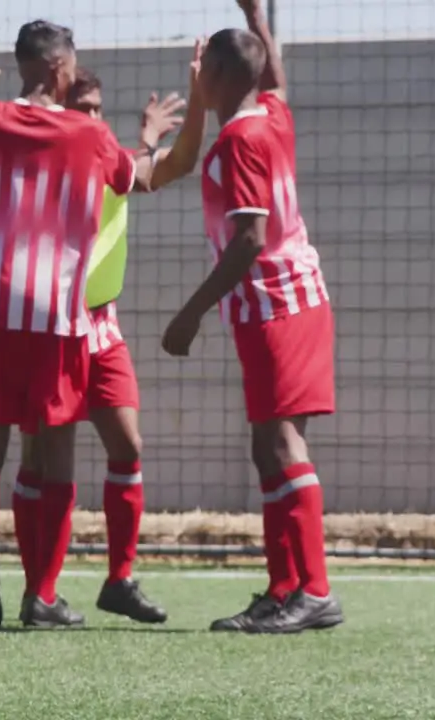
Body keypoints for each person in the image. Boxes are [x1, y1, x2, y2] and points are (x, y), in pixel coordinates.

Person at [0, 20, 183, 630]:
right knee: (55, 455)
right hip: (56, 314)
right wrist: (166, 142)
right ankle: (45, 596)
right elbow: (137, 176)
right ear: (61, 70)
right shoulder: (87, 135)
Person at [161, 0, 344, 634]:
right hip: (295, 300)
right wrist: (257, 20)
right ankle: (285, 585)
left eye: (202, 66)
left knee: (279, 443)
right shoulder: (270, 114)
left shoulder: (240, 140)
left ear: (214, 76)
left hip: (274, 303)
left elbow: (248, 240)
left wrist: (188, 314)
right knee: (269, 445)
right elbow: (275, 77)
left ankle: (313, 591)